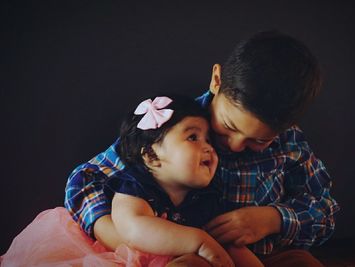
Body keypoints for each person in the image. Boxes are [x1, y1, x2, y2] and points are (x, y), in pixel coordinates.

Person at [65, 30, 340, 266]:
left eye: (259, 140)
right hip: (192, 254)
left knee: (303, 262)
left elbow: (324, 210)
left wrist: (272, 219)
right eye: (230, 126)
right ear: (217, 80)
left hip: (261, 256)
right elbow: (84, 179)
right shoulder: (177, 126)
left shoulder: (289, 141)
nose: (234, 145)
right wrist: (119, 232)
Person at [1, 95, 263, 267]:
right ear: (151, 155)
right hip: (111, 257)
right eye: (193, 138)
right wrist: (198, 241)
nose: (208, 148)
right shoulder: (135, 185)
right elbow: (132, 228)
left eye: (209, 140)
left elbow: (228, 246)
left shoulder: (206, 199)